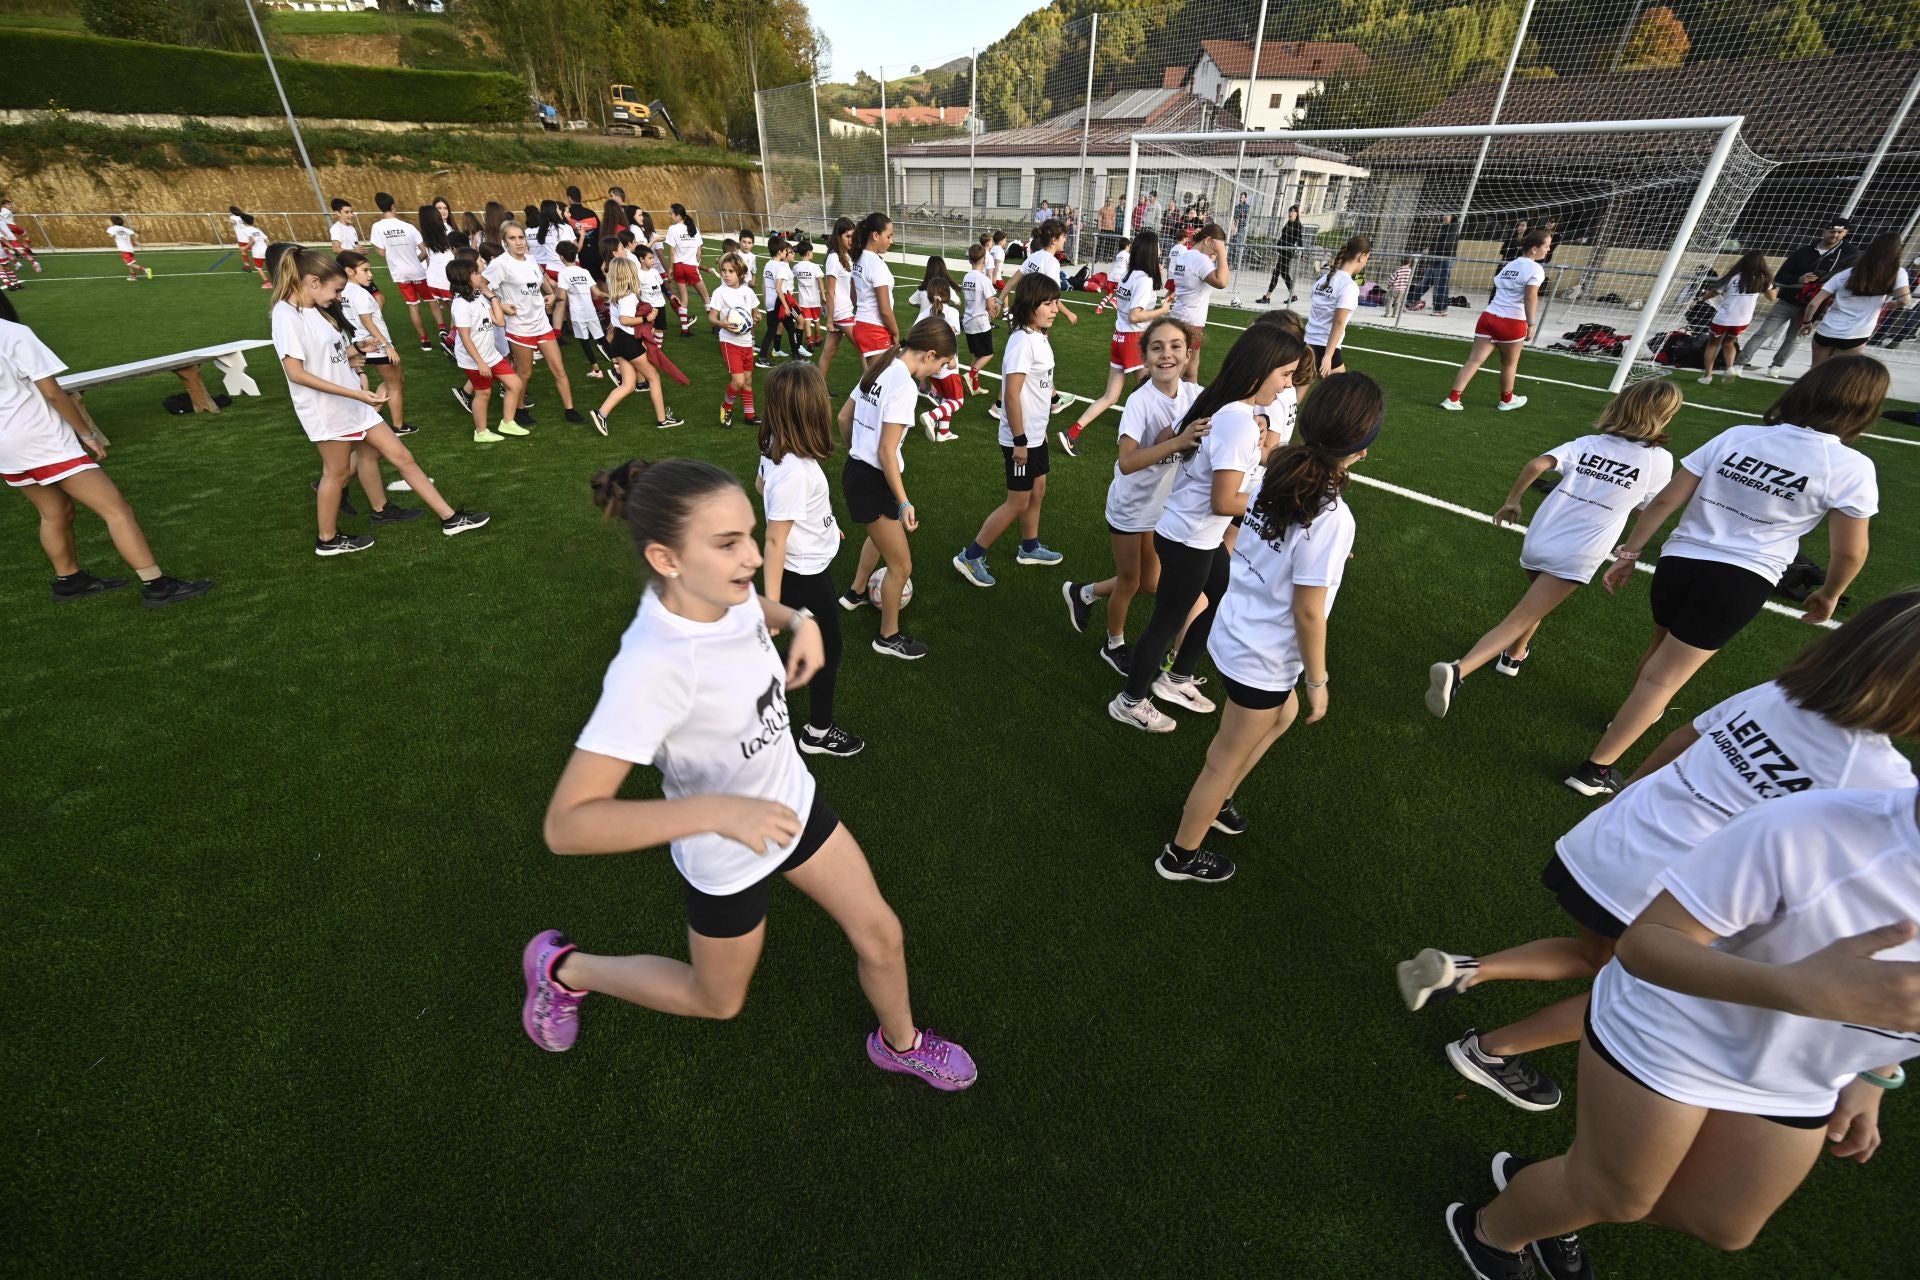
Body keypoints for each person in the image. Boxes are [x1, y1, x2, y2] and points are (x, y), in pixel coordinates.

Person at [522, 458, 975, 1091]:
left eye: (749, 535)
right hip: (724, 850)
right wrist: (718, 812)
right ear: (667, 559)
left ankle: (900, 1043)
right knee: (717, 999)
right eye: (727, 543)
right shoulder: (651, 666)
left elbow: (752, 607)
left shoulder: (723, 593)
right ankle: (565, 971)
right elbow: (568, 825)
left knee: (880, 931)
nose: (754, 558)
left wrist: (798, 621)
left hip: (790, 803)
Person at [1406, 589, 1920, 1123]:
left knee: (1594, 955)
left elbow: (1682, 737)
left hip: (1609, 840)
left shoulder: (1776, 695)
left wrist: (1626, 803)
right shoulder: (1881, 780)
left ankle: (1468, 970)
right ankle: (1493, 1049)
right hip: (1664, 884)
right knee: (1644, 994)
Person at [1446, 782, 1920, 1280]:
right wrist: (1794, 990)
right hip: (1675, 1034)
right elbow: (1645, 943)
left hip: (1794, 1074)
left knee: (1724, 1224)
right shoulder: (1821, 825)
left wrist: (1874, 1073)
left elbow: (1898, 997)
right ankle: (1497, 1230)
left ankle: (1563, 1186)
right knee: (1617, 1196)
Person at [1565, 356, 1883, 797]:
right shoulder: (1851, 466)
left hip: (1678, 563)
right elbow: (1850, 550)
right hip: (1740, 579)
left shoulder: (1739, 436)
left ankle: (1625, 717)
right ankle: (1594, 770)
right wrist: (1830, 593)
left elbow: (1662, 503)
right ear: (1864, 409)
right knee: (1665, 677)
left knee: (1659, 650)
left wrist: (1630, 552)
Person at [1156, 372, 1383, 884]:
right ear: (1363, 449)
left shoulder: (1280, 472)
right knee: (1220, 760)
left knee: (1284, 715)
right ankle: (1181, 855)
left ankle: (1223, 796)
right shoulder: (1331, 512)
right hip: (1261, 656)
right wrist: (1319, 681)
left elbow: (1263, 541)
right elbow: (1308, 612)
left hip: (1237, 631)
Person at [1426, 379, 1680, 719]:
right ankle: (1459, 671)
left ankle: (1514, 656)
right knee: (1522, 616)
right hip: (1579, 551)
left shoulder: (1589, 442)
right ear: (1663, 416)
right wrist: (1630, 551)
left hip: (1540, 536)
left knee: (1535, 603)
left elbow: (1536, 465)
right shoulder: (1658, 461)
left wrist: (1513, 501)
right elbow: (1649, 509)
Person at [1107, 325, 1304, 733]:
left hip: (1198, 535)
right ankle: (1130, 701)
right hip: (1188, 538)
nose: (1288, 385)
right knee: (1166, 620)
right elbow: (1224, 501)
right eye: (1285, 374)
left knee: (1220, 594)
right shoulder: (1237, 422)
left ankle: (1176, 678)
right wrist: (1283, 510)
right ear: (1261, 369)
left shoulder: (1233, 411)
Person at [271, 247, 489, 554]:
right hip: (328, 411)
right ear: (313, 281)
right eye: (335, 290)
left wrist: (357, 351)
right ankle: (328, 540)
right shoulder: (286, 315)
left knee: (401, 457)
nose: (337, 298)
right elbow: (296, 373)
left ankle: (450, 518)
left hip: (353, 403)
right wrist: (356, 393)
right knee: (335, 474)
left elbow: (328, 359)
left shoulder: (314, 311)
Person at [1, 296, 211, 606]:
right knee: (117, 510)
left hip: (7, 445)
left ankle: (69, 581)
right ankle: (157, 585)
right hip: (41, 440)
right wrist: (87, 433)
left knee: (54, 512)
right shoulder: (14, 334)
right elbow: (53, 394)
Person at [1062, 317, 1203, 674]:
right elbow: (1127, 461)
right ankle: (1114, 644)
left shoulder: (1194, 395)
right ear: (1145, 357)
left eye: (1175, 346)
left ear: (1189, 354)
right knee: (1129, 582)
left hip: (1160, 506)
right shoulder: (1141, 401)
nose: (1166, 354)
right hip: (1129, 507)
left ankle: (1085, 592)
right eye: (1157, 347)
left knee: (1151, 583)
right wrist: (1176, 442)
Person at [835, 315, 955, 662]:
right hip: (874, 480)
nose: (939, 372)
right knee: (901, 566)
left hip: (860, 474)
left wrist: (856, 456)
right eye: (942, 364)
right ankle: (888, 636)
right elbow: (887, 450)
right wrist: (904, 502)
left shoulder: (881, 364)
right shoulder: (903, 385)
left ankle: (856, 592)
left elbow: (844, 418)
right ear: (929, 354)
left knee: (879, 536)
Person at [757, 364, 862, 758]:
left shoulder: (775, 446)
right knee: (829, 650)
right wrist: (772, 607)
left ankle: (758, 686)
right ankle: (818, 732)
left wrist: (824, 525)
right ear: (811, 414)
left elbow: (760, 486)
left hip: (808, 563)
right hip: (802, 573)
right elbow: (774, 539)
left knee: (814, 642)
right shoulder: (795, 472)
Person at [952, 273, 1066, 588]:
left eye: (1056, 302)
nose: (1055, 309)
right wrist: (1019, 441)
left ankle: (1029, 547)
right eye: (1048, 303)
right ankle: (970, 556)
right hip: (1020, 440)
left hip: (1034, 434)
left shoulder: (1040, 336)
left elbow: (1037, 391)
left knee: (1037, 491)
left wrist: (1039, 430)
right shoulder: (1022, 342)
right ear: (1030, 306)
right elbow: (1012, 395)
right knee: (1017, 501)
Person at [1057, 232, 1169, 458]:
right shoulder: (1144, 279)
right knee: (1149, 392)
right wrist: (1162, 311)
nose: (1160, 250)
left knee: (1112, 396)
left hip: (1119, 338)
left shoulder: (1130, 274)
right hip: (1133, 340)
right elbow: (1135, 316)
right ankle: (1150, 441)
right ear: (1150, 250)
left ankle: (1072, 432)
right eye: (1157, 247)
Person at [485, 221, 587, 428]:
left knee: (559, 368)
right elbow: (481, 287)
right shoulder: (500, 264)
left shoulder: (531, 260)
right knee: (525, 372)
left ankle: (570, 409)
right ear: (504, 241)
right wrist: (501, 304)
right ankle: (520, 409)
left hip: (542, 324)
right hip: (519, 327)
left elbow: (543, 282)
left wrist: (550, 295)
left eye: (521, 237)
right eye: (512, 238)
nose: (518, 242)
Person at [1442, 230, 1550, 412]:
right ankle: (1506, 400)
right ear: (1533, 249)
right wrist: (1531, 324)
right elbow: (1530, 297)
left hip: (1489, 317)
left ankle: (1452, 398)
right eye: (1546, 246)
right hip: (1512, 321)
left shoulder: (1510, 265)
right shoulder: (1536, 269)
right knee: (1509, 363)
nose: (1548, 250)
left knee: (1474, 360)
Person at [1741, 216, 1855, 377]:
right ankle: (1740, 362)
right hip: (1788, 300)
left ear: (1846, 233)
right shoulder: (1804, 251)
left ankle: (1777, 366)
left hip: (1814, 304)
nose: (1835, 235)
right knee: (1764, 332)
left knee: (1794, 338)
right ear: (1824, 231)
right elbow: (1780, 277)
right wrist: (1798, 279)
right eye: (1832, 231)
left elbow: (1849, 277)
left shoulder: (1850, 254)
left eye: (1839, 232)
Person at [594, 257, 682, 433]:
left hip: (619, 342)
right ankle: (662, 420)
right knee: (654, 377)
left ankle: (601, 414)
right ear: (629, 274)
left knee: (628, 385)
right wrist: (646, 318)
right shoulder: (628, 296)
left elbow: (617, 321)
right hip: (629, 343)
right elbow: (625, 320)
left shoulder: (615, 296)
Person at [1801, 230, 1912, 367]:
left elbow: (1813, 303)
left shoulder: (1844, 274)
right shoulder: (1897, 272)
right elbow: (1905, 300)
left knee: (1815, 371)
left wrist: (1807, 322)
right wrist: (1893, 303)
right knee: (1840, 375)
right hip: (1856, 335)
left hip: (1827, 330)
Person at [336, 251, 416, 437]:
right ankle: (397, 427)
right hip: (375, 345)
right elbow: (367, 321)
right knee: (395, 384)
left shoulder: (341, 292)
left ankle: (373, 414)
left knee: (393, 381)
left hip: (359, 343)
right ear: (349, 271)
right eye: (365, 270)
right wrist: (387, 346)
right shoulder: (360, 294)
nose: (370, 274)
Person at [448, 256, 525, 443]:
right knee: (483, 393)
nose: (479, 274)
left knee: (515, 384)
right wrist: (480, 363)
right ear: (464, 277)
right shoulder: (460, 306)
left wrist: (491, 296)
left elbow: (499, 320)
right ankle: (481, 432)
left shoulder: (477, 297)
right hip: (474, 360)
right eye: (475, 272)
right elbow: (465, 337)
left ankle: (507, 422)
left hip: (491, 355)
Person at [1697, 250, 1775, 384]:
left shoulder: (1733, 277)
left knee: (1713, 344)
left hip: (1724, 317)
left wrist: (1702, 297)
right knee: (1729, 342)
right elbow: (1772, 297)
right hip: (1743, 320)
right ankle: (1729, 368)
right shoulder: (1763, 278)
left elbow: (1714, 292)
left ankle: (1707, 376)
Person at [368, 192, 433, 351]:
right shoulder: (408, 226)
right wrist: (415, 261)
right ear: (393, 206)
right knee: (432, 302)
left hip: (400, 275)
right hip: (418, 272)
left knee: (413, 306)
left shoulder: (377, 227)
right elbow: (424, 251)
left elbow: (382, 252)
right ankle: (444, 331)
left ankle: (425, 341)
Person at [1168, 223, 1230, 384]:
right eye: (1215, 247)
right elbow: (1222, 281)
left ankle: (1191, 408)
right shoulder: (1200, 259)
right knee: (1173, 380)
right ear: (1208, 240)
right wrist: (1222, 252)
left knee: (1190, 375)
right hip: (1190, 324)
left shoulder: (1185, 255)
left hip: (1181, 319)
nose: (1214, 253)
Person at [708, 254, 762, 428]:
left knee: (747, 381)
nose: (726, 274)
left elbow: (756, 312)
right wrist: (722, 323)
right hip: (729, 342)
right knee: (738, 381)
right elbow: (712, 317)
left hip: (747, 342)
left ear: (740, 273)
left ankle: (750, 415)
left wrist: (757, 317)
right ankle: (726, 406)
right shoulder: (719, 293)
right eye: (723, 270)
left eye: (730, 271)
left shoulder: (748, 292)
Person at [1304, 234, 1369, 378]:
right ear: (1362, 257)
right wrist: (1328, 356)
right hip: (1325, 348)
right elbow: (1339, 322)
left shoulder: (1322, 280)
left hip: (1306, 344)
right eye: (1367, 258)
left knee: (1294, 397)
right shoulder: (1349, 286)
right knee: (1343, 397)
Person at [554, 240, 612, 383]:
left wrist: (551, 296)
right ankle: (617, 364)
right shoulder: (584, 271)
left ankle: (597, 370)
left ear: (561, 257)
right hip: (590, 311)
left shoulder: (563, 273)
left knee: (584, 342)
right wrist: (611, 295)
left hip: (577, 314)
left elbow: (561, 296)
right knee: (602, 339)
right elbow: (597, 293)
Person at [848, 213, 900, 361]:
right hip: (874, 329)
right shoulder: (877, 264)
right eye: (888, 236)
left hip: (861, 324)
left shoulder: (858, 258)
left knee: (874, 378)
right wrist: (895, 332)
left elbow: (853, 297)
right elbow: (884, 310)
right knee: (882, 380)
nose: (891, 241)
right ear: (876, 235)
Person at [958, 241, 1002, 395]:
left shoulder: (966, 277)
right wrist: (996, 308)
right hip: (980, 321)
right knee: (988, 353)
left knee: (977, 355)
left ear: (970, 260)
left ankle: (975, 386)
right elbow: (990, 304)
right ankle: (970, 376)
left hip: (968, 320)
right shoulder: (984, 280)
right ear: (984, 260)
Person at [817, 216, 858, 378]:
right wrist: (829, 320)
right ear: (838, 236)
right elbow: (830, 291)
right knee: (865, 348)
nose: (851, 240)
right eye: (847, 236)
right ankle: (868, 390)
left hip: (843, 311)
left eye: (852, 237)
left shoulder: (846, 256)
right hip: (841, 313)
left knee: (829, 351)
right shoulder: (834, 259)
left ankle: (817, 390)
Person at [756, 234, 805, 367]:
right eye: (785, 250)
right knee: (773, 330)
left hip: (772, 303)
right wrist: (786, 306)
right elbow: (779, 288)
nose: (786, 252)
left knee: (789, 328)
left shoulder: (767, 265)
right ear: (779, 252)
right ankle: (762, 358)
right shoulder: (781, 267)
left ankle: (796, 355)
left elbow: (765, 285)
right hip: (780, 302)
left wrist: (766, 302)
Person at [663, 203, 710, 337]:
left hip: (678, 266)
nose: (670, 216)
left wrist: (671, 269)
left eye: (671, 214)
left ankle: (685, 330)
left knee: (684, 299)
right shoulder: (693, 228)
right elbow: (699, 251)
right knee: (706, 297)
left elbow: (672, 252)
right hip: (690, 266)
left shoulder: (673, 229)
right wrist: (696, 263)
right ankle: (715, 326)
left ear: (678, 215)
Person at [418, 203, 456, 343]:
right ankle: (451, 343)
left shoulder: (424, 233)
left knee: (453, 313)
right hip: (447, 278)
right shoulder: (445, 228)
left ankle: (452, 341)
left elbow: (426, 255)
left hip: (434, 279)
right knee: (458, 314)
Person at [1406, 214, 1457, 314]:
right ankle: (1410, 301)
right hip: (1435, 259)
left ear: (1453, 217)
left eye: (1448, 215)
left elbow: (1445, 246)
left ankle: (1440, 309)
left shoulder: (1453, 228)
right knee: (1424, 282)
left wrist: (1431, 251)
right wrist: (1430, 250)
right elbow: (1438, 243)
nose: (1444, 217)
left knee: (1440, 285)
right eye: (1445, 215)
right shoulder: (1444, 228)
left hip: (1443, 259)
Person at [1256, 206, 1304, 305]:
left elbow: (1299, 239)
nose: (1290, 213)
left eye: (1293, 212)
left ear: (1297, 214)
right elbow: (1283, 237)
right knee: (1283, 274)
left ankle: (1267, 297)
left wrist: (1302, 253)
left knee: (1277, 273)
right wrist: (1277, 246)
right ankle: (1293, 296)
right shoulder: (1288, 223)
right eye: (1289, 211)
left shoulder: (1297, 225)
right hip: (1282, 251)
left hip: (1288, 252)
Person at [790, 239, 824, 349]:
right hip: (815, 300)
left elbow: (790, 278)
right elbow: (820, 281)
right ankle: (818, 339)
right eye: (812, 252)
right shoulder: (815, 267)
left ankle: (810, 342)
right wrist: (823, 295)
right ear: (808, 253)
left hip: (804, 301)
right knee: (817, 321)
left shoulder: (796, 267)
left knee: (807, 322)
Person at [105, 216, 151, 283]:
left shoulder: (112, 228)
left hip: (123, 249)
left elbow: (110, 236)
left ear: (113, 222)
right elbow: (136, 235)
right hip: (130, 249)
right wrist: (137, 242)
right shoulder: (125, 229)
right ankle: (133, 277)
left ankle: (145, 270)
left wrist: (113, 235)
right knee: (131, 263)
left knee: (129, 263)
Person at [1385, 257, 1413, 322]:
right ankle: (1394, 314)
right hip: (1402, 289)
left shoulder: (1398, 270)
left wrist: (1389, 285)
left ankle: (1387, 314)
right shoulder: (1409, 271)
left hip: (1394, 288)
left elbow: (1392, 278)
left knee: (1390, 301)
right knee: (1398, 302)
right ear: (1409, 263)